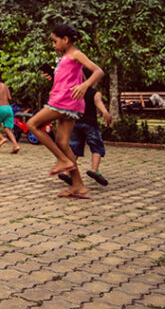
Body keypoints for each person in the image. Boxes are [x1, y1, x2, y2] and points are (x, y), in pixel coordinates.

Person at [27, 23, 104, 199]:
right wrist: (54, 76)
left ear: (66, 39)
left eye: (55, 42)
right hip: (67, 102)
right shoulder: (65, 58)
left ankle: (62, 160)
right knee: (62, 142)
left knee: (32, 124)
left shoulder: (76, 54)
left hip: (63, 102)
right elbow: (74, 77)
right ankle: (78, 186)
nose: (53, 46)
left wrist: (85, 86)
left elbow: (98, 71)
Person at [60, 85, 113, 188]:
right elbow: (98, 102)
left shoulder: (75, 91)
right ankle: (94, 170)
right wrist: (105, 112)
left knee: (74, 148)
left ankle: (66, 173)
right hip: (90, 124)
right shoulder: (95, 93)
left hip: (76, 122)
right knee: (96, 145)